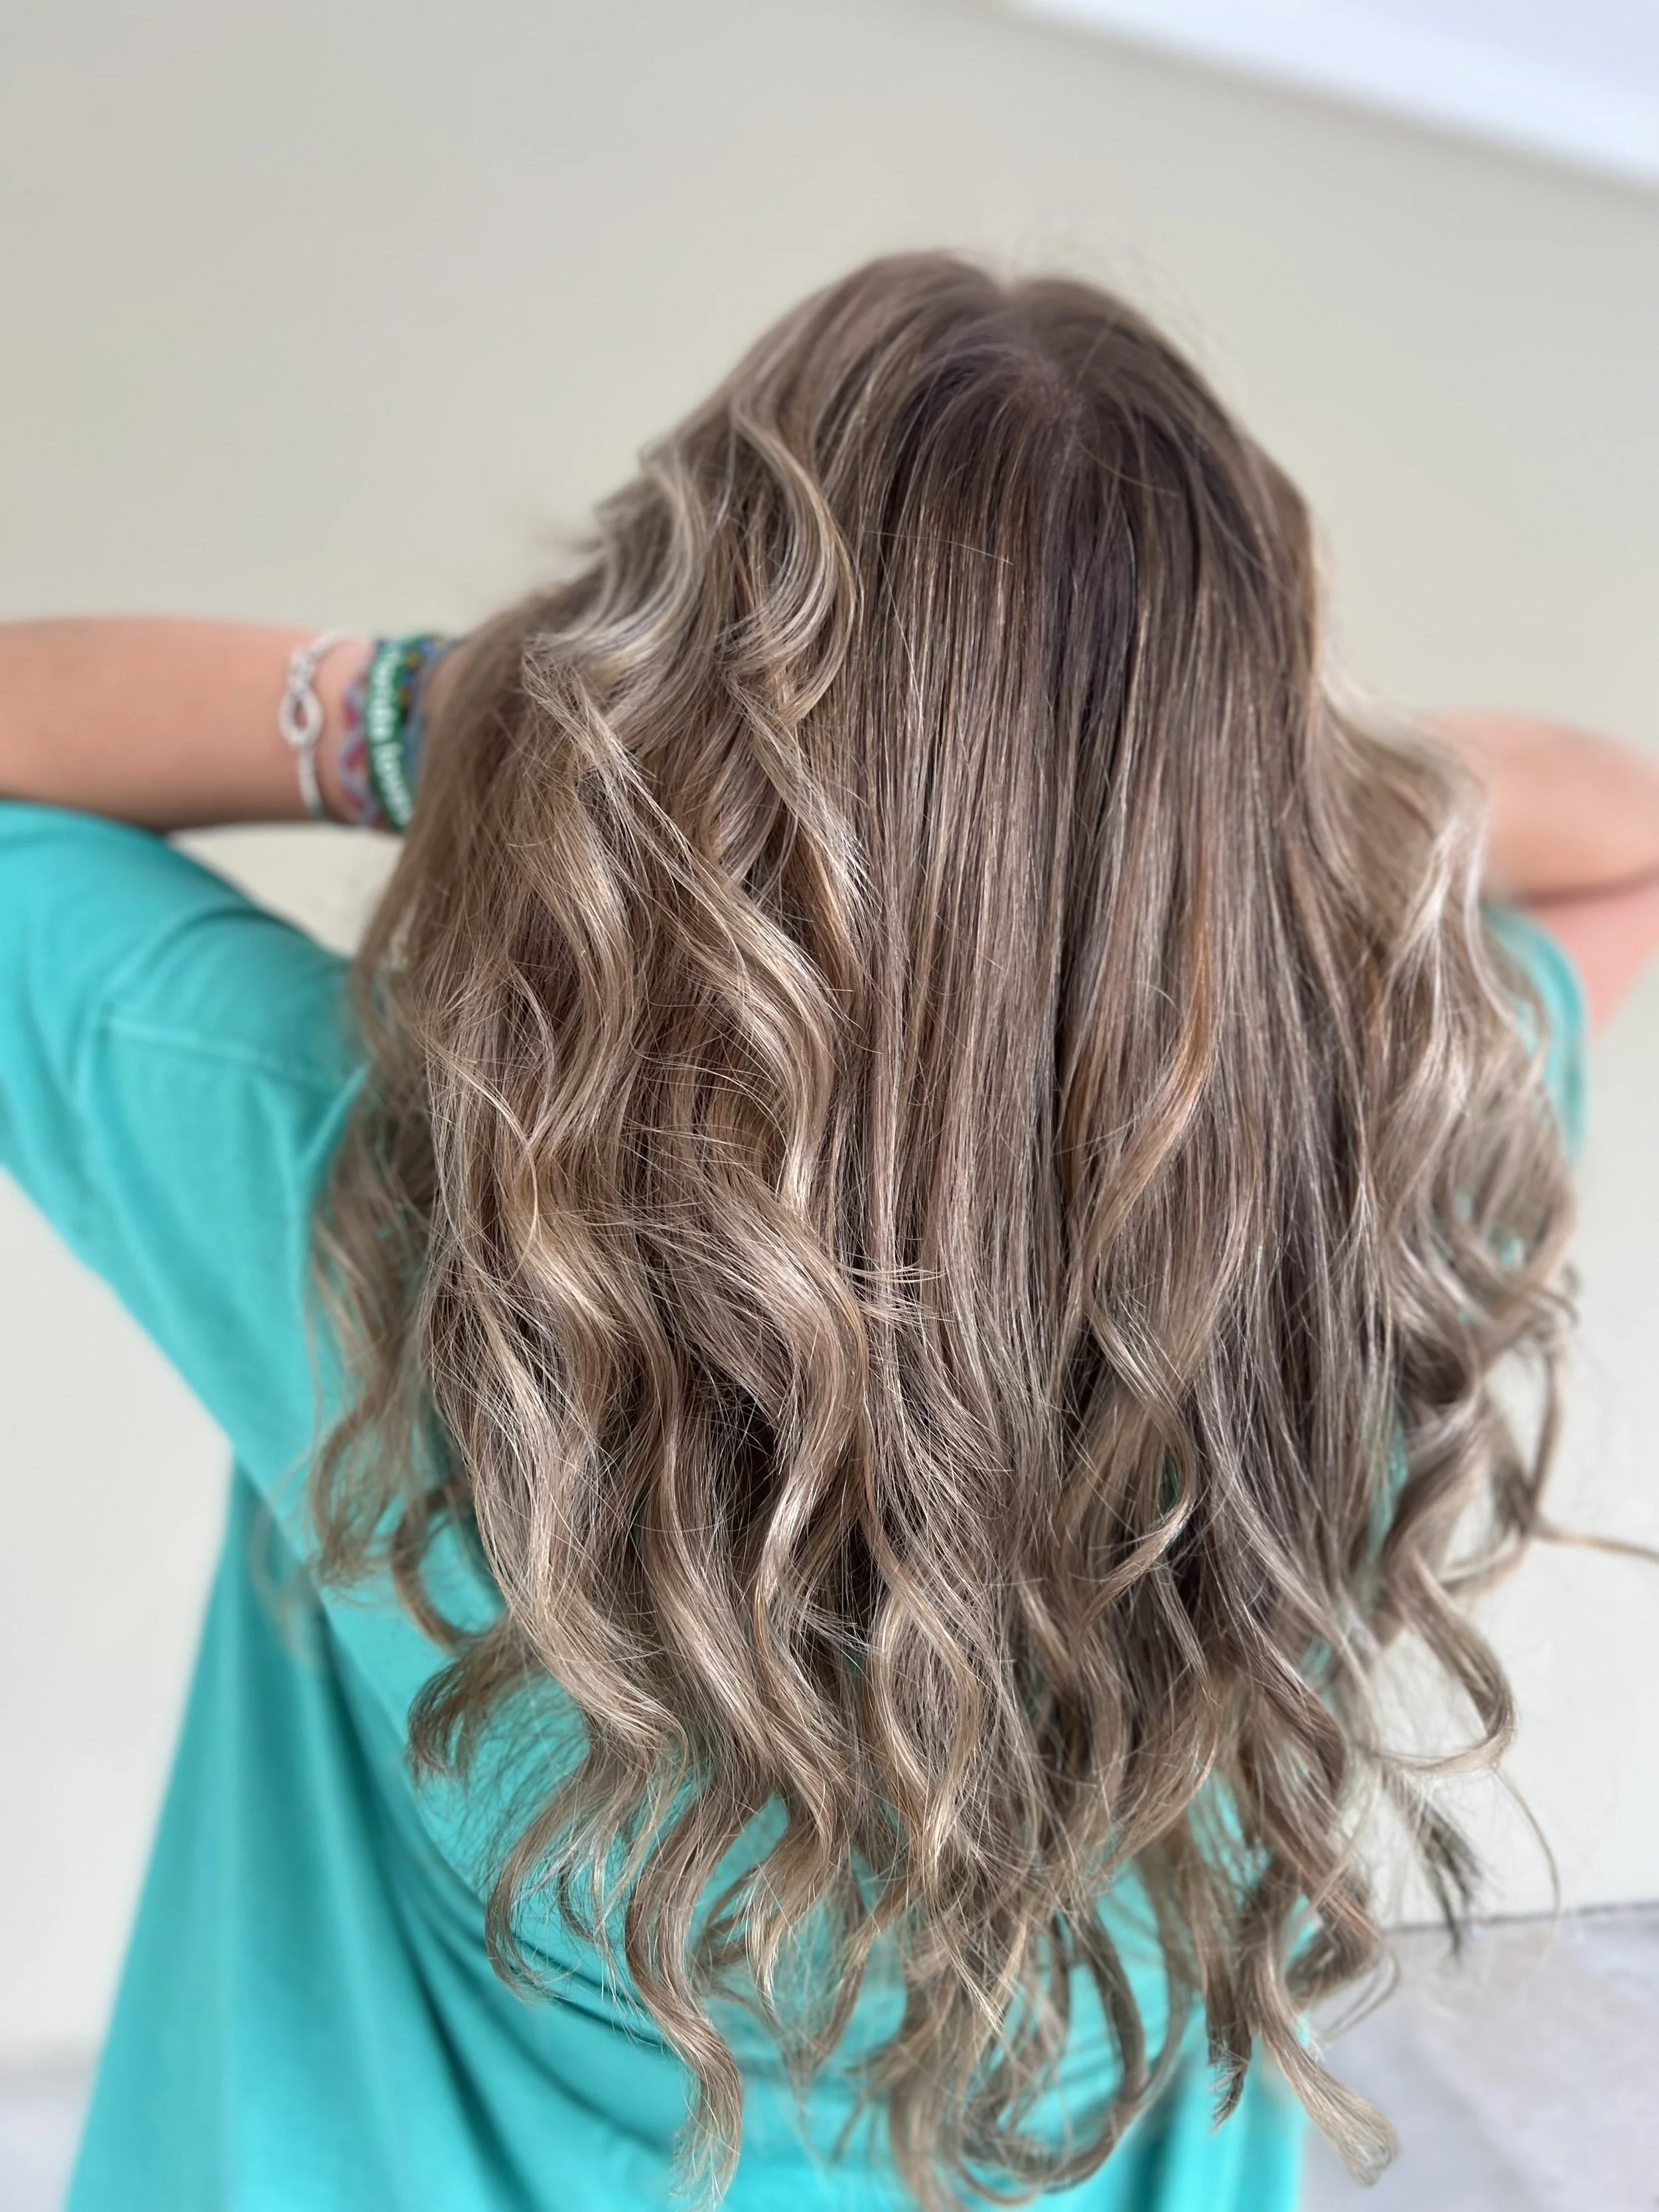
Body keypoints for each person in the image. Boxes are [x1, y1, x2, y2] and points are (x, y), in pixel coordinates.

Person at [3, 254, 1657, 2212]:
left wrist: (470, 715)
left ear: (644, 692)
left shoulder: (357, 1192)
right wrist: (1163, 810)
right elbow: (1619, 825)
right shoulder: (1357, 1235)